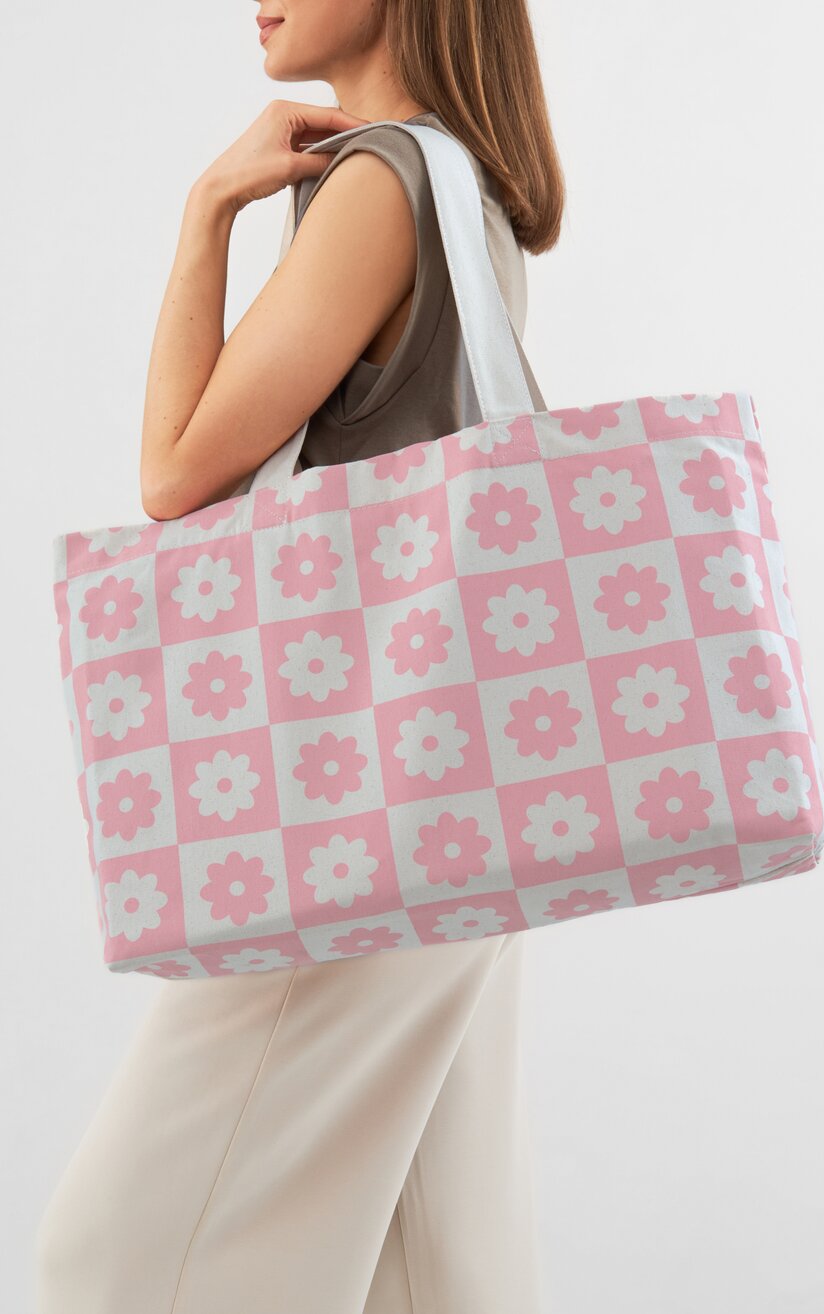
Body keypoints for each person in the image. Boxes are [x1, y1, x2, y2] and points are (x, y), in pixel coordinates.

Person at [34, 0, 565, 1309]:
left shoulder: (385, 183)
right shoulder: (465, 186)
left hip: (359, 804)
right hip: (469, 798)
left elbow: (176, 474)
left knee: (118, 1260)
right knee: (431, 1270)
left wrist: (206, 209)